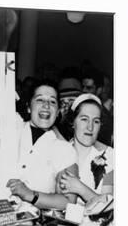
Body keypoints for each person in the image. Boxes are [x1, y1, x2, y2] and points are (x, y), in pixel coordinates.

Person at [7, 81, 78, 210]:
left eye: (52, 102)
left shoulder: (65, 150)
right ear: (29, 107)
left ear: (57, 112)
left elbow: (68, 201)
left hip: (37, 225)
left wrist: (30, 195)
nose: (46, 105)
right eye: (39, 100)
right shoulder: (11, 130)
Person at [58, 94, 114, 204]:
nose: (90, 127)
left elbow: (108, 205)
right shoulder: (59, 151)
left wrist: (80, 188)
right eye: (84, 119)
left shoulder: (110, 156)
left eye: (96, 121)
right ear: (72, 122)